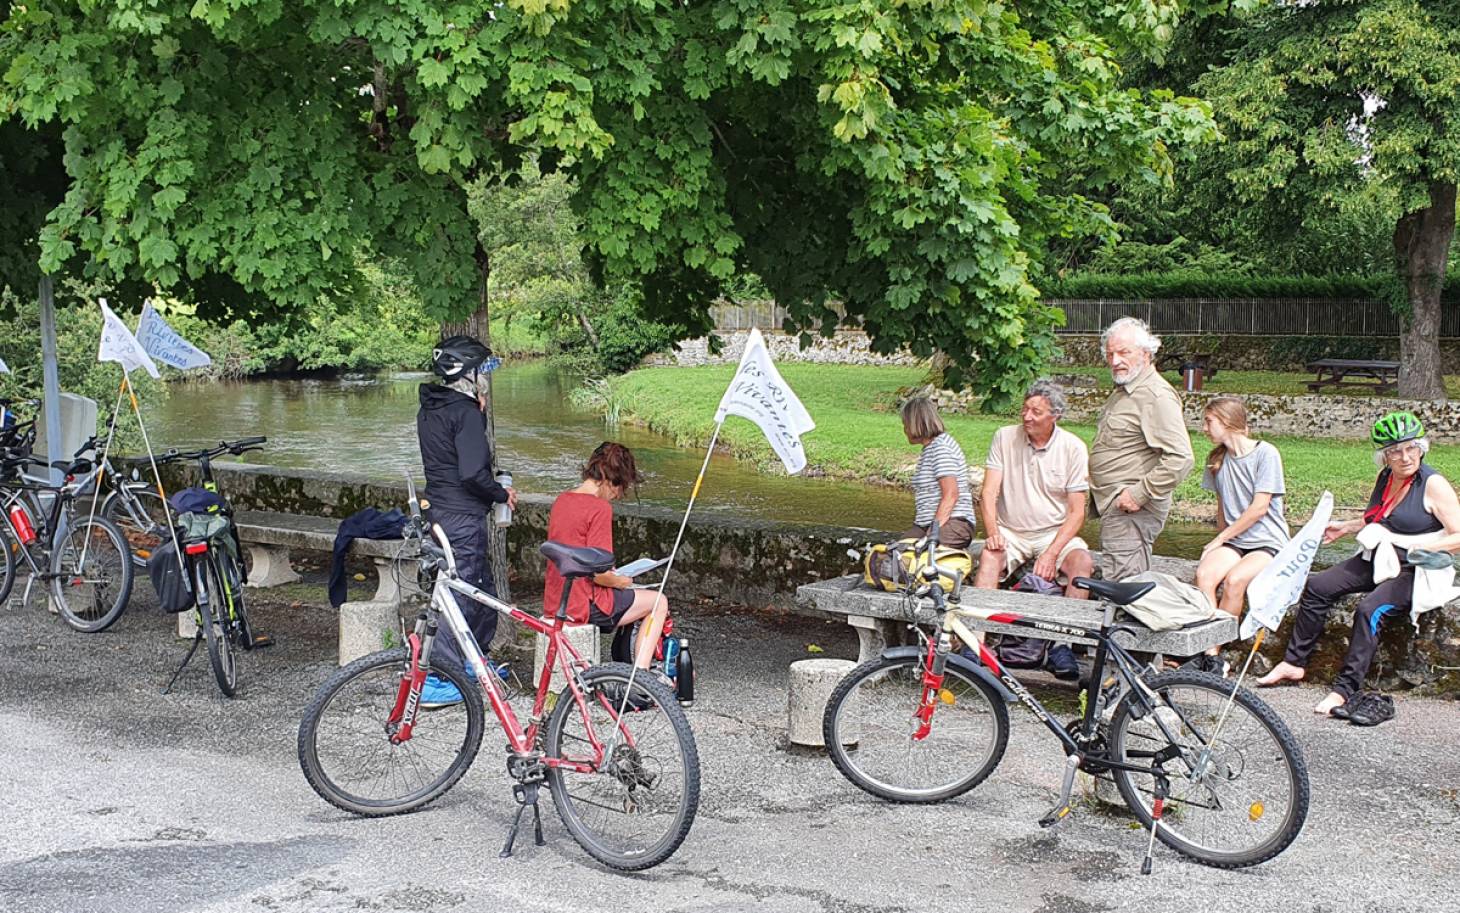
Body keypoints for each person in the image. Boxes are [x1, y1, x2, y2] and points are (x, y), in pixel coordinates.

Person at [1258, 412, 1460, 717]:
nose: (1405, 457)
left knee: (1369, 609)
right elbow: (1379, 519)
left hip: (1416, 568)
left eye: (1411, 448)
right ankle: (1293, 663)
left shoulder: (1433, 484)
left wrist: (1424, 545)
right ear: (1384, 457)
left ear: (1422, 447)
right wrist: (1348, 527)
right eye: (1395, 451)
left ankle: (1343, 690)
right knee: (1317, 586)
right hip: (1381, 558)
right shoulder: (1386, 478)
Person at [416, 335, 517, 707]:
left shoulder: (433, 407)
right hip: (461, 516)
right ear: (467, 373)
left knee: (480, 589)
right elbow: (473, 473)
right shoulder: (466, 413)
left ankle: (472, 660)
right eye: (482, 371)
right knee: (460, 594)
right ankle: (438, 678)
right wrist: (501, 494)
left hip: (440, 510)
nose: (487, 378)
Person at [975, 380, 1094, 680]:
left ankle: (1062, 645)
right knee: (990, 556)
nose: (1027, 417)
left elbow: (1077, 512)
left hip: (1053, 532)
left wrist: (1052, 552)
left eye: (1036, 411)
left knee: (1082, 563)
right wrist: (993, 531)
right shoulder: (1004, 437)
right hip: (1011, 529)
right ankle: (976, 643)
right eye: (1024, 409)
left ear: (1055, 415)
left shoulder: (1073, 448)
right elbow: (988, 494)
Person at [544, 442, 670, 669]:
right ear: (612, 480)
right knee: (658, 602)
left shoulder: (561, 500)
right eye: (619, 488)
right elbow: (599, 575)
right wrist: (622, 581)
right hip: (585, 604)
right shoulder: (599, 508)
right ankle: (641, 676)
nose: (617, 495)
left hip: (557, 600)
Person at [1088, 316, 1194, 581]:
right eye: (1110, 354)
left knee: (1125, 591)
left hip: (1131, 510)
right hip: (1118, 508)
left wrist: (1139, 493)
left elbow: (1181, 458)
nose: (1114, 361)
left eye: (1124, 353)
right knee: (1121, 586)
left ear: (1146, 353)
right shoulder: (1125, 390)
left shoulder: (1155, 395)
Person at [1189, 397, 1289, 675]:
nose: (1204, 428)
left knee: (1235, 581)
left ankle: (1216, 652)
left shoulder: (1265, 453)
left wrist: (1220, 539)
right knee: (1205, 576)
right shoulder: (1216, 460)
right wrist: (1222, 539)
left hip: (1266, 541)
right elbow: (1222, 506)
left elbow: (1259, 508)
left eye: (1209, 421)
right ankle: (1209, 653)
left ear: (1226, 421)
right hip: (1235, 540)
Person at [900, 397, 976, 549]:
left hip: (953, 522)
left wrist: (931, 535)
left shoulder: (941, 448)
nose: (904, 430)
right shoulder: (929, 449)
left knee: (919, 557)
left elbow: (951, 495)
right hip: (926, 524)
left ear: (915, 424)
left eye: (905, 424)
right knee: (890, 556)